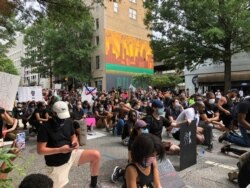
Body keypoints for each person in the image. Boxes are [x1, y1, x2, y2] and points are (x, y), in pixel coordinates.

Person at [37, 101, 101, 188]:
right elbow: (40, 150)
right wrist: (60, 150)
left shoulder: (68, 121)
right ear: (53, 114)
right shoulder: (45, 127)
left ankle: (93, 184)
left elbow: (73, 136)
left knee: (95, 155)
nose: (63, 120)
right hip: (57, 163)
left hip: (71, 154)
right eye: (61, 117)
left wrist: (75, 142)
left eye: (64, 117)